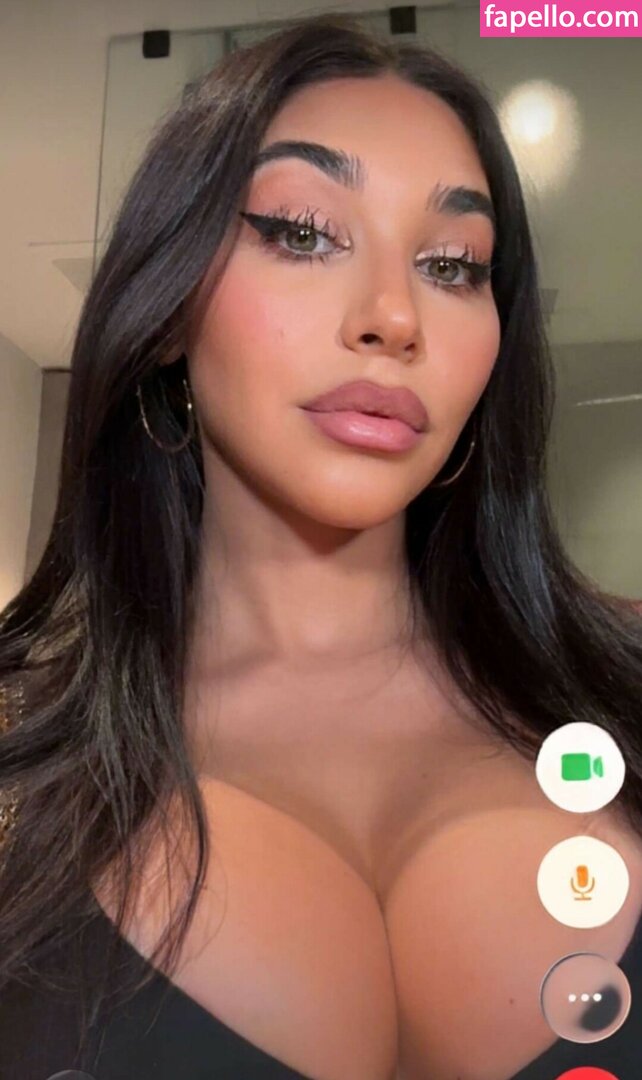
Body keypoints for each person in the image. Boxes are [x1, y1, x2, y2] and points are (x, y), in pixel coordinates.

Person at [1, 12, 641, 1080]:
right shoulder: (21, 757)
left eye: (453, 264)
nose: (394, 316)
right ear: (168, 307)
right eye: (302, 232)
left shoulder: (622, 686)